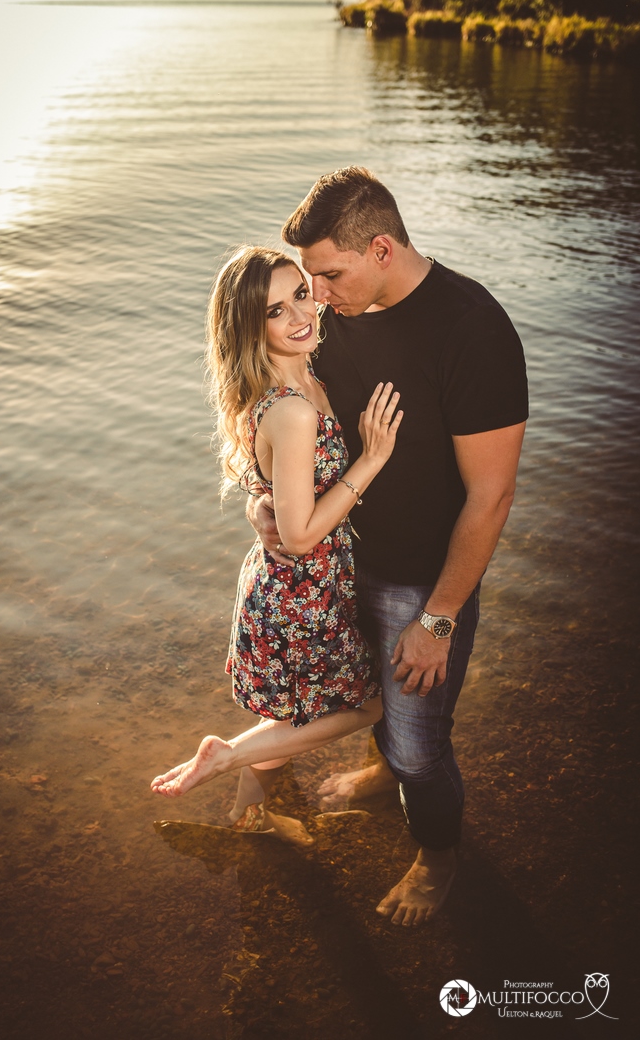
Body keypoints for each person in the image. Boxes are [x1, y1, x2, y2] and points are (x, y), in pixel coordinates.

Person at [246, 167, 528, 926]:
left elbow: (492, 495)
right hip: (336, 567)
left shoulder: (472, 330)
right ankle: (379, 774)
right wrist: (262, 504)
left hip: (418, 582)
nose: (315, 297)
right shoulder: (328, 316)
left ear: (380, 249)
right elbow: (279, 428)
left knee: (418, 749)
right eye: (307, 280)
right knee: (365, 705)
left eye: (329, 277)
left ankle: (438, 857)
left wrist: (438, 617)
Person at [151, 245, 403, 841]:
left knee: (284, 714)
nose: (299, 315)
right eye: (274, 311)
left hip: (299, 582)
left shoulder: (304, 377)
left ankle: (250, 820)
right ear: (249, 327)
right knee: (367, 705)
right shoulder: (292, 410)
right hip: (300, 591)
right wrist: (372, 460)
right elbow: (300, 533)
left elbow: (274, 491)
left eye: (301, 295)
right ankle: (227, 755)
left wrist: (259, 503)